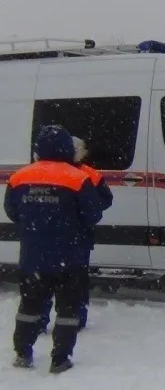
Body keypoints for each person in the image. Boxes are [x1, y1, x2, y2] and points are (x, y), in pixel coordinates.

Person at [4, 125, 103, 373]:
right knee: (68, 310)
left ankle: (23, 352)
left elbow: (13, 212)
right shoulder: (78, 178)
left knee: (29, 308)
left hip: (33, 257)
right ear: (67, 149)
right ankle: (59, 358)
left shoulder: (19, 177)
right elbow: (93, 214)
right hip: (70, 257)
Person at [39, 137, 113, 334]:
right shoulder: (87, 174)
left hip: (44, 237)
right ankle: (74, 319)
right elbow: (104, 201)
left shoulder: (43, 171)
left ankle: (40, 320)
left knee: (43, 280)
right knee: (75, 281)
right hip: (77, 237)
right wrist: (82, 212)